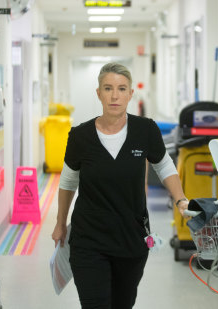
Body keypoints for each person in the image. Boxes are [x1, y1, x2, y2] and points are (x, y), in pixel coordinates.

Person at [51, 62, 189, 309]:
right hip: (88, 239)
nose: (115, 95)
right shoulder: (80, 136)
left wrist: (181, 200)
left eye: (121, 89)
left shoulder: (145, 130)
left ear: (130, 94)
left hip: (131, 238)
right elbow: (69, 181)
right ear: (98, 93)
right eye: (108, 88)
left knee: (123, 304)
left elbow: (165, 166)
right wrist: (61, 223)